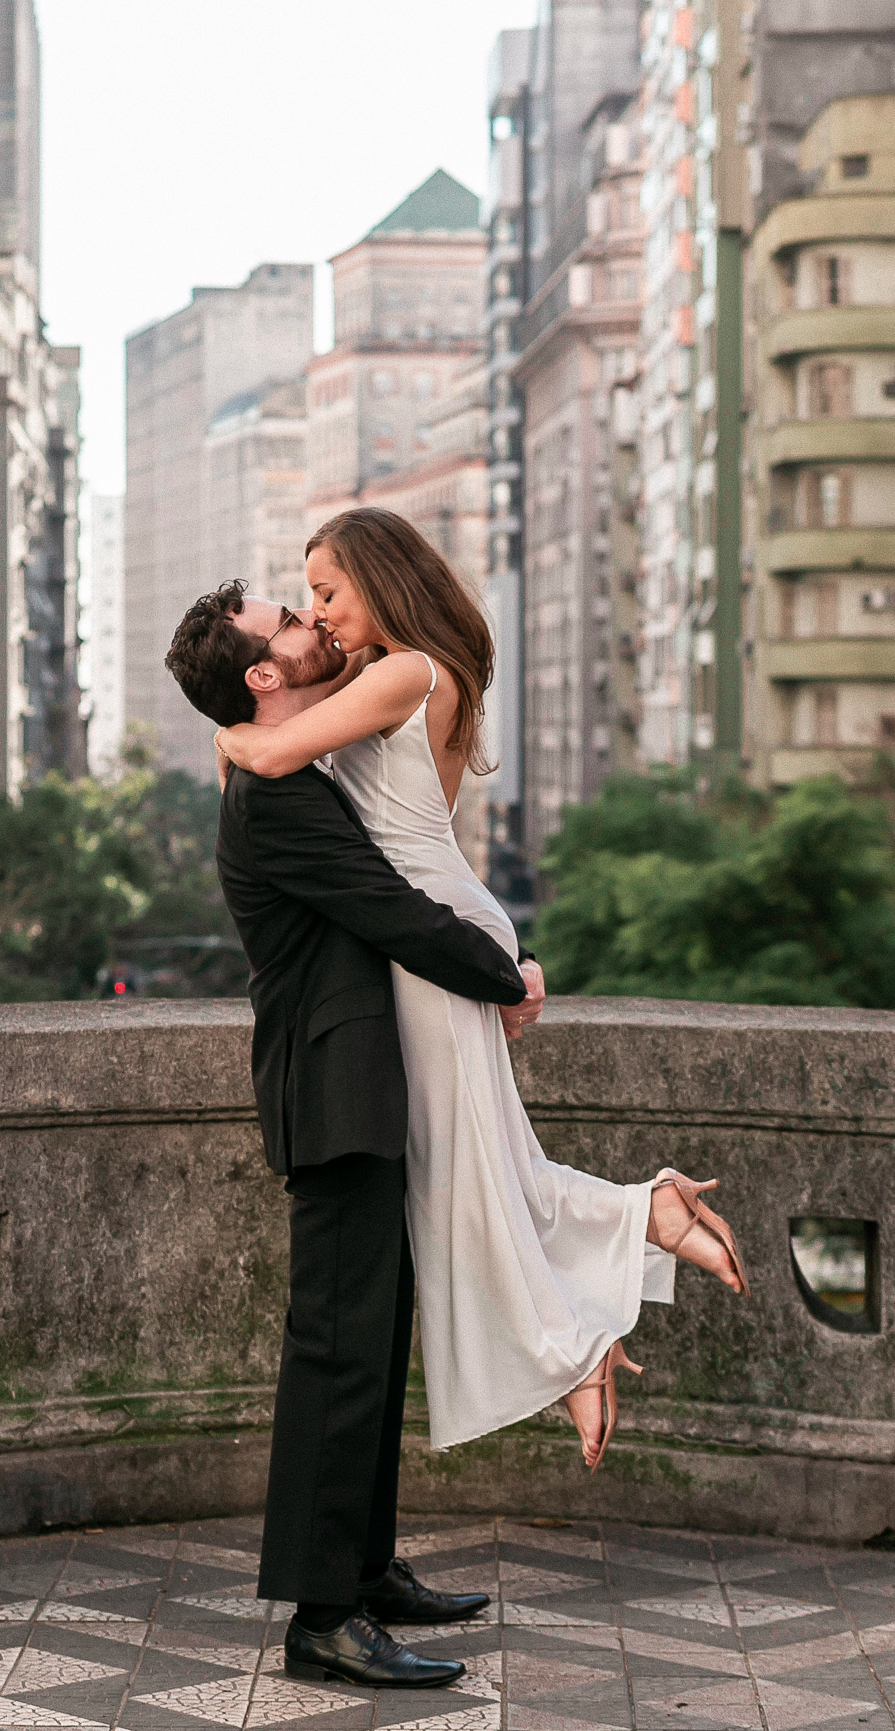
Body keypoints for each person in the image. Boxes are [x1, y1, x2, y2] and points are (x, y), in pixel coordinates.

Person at [212, 508, 750, 1477]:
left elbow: (274, 753)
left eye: (328, 591)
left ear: (381, 580)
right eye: (311, 601)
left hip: (430, 930)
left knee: (462, 1177)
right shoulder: (407, 670)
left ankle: (580, 1324)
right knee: (473, 1161)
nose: (323, 615)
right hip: (438, 924)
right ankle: (639, 1227)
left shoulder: (404, 672)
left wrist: (228, 737)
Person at [165, 583, 543, 1691]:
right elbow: (389, 908)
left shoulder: (288, 765)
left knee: (371, 1342)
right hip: (333, 1094)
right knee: (337, 1351)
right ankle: (322, 1619)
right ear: (261, 676)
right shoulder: (275, 798)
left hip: (362, 1086)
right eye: (288, 621)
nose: (313, 624)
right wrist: (505, 974)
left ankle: (365, 1569)